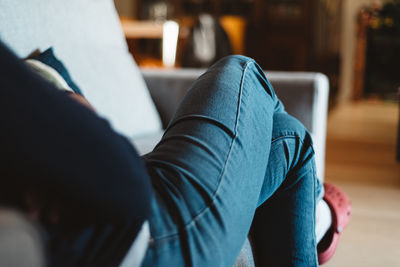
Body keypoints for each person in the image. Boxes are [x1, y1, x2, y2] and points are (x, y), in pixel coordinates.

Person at [0, 40, 323, 267]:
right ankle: (319, 200)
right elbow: (118, 170)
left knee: (289, 135)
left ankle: (314, 198)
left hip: (121, 231)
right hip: (145, 241)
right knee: (242, 70)